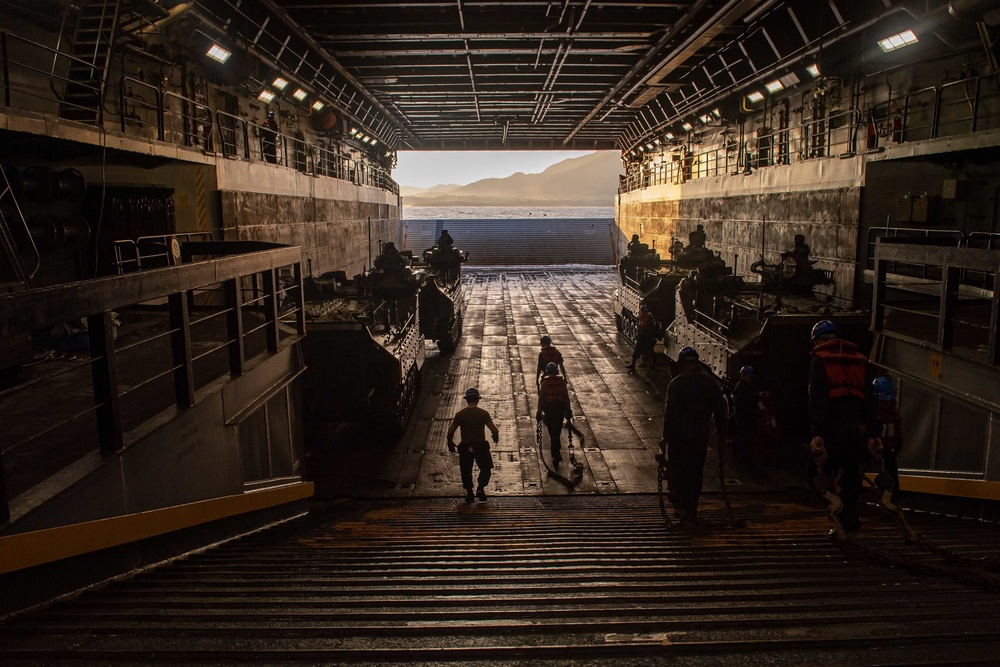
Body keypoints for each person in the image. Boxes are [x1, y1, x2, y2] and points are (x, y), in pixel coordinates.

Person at [807, 320, 881, 538]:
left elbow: (818, 399)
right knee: (852, 474)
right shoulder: (860, 361)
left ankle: (836, 504)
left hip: (832, 428)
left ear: (818, 341)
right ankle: (848, 515)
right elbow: (869, 399)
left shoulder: (819, 362)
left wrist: (817, 432)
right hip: (857, 429)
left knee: (813, 471)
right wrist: (873, 432)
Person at [658, 346, 728, 523]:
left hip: (679, 438)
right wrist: (721, 434)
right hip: (700, 436)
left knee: (679, 471)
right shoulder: (710, 383)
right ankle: (692, 507)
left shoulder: (676, 383)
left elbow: (670, 413)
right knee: (695, 472)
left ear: (682, 363)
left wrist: (665, 438)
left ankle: (680, 506)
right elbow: (721, 411)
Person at [447, 387, 500, 503]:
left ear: (467, 400)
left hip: (465, 447)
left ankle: (470, 494)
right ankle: (480, 488)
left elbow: (450, 431)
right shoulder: (483, 414)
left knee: (466, 470)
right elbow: (494, 430)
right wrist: (495, 438)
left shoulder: (460, 415)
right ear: (477, 400)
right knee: (486, 468)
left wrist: (450, 443)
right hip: (480, 446)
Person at [872, 376, 902, 504]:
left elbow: (898, 433)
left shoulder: (893, 413)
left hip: (888, 451)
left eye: (888, 400)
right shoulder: (872, 415)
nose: (886, 404)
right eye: (883, 401)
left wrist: (895, 448)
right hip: (873, 453)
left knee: (892, 475)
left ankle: (892, 503)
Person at [538, 362, 572, 465]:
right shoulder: (561, 383)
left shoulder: (544, 383)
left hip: (549, 409)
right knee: (557, 429)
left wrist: (538, 412)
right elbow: (566, 397)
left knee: (552, 431)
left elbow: (541, 398)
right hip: (560, 408)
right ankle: (557, 448)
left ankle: (555, 453)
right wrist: (568, 410)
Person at [732, 365, 761, 458]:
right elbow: (743, 400)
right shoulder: (740, 387)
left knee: (746, 433)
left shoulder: (747, 385)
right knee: (743, 434)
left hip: (746, 413)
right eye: (749, 377)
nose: (750, 379)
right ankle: (738, 449)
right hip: (742, 414)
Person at [627, 303, 658, 372]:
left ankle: (653, 363)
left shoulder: (649, 317)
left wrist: (649, 335)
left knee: (648, 350)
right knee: (640, 350)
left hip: (647, 336)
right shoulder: (643, 316)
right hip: (643, 334)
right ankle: (633, 365)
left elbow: (653, 327)